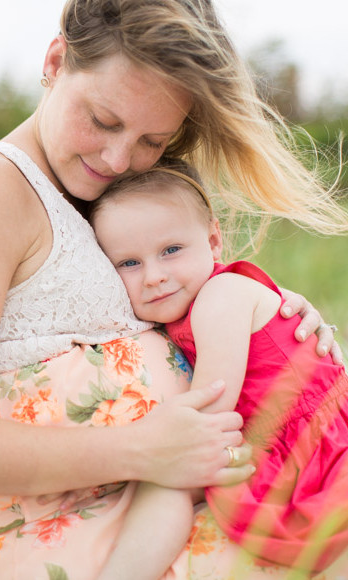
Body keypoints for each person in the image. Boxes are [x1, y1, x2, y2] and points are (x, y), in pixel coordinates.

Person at [0, 0, 346, 577]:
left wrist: (277, 321)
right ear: (56, 61)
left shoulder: (118, 193)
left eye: (153, 140)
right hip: (80, 539)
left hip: (177, 508)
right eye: (103, 120)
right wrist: (144, 450)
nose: (118, 158)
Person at [90, 159, 348, 579]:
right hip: (291, 438)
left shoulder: (220, 296)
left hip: (317, 447)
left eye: (171, 251)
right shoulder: (191, 301)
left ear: (213, 241)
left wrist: (146, 447)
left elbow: (213, 408)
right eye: (128, 263)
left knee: (168, 478)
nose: (154, 276)